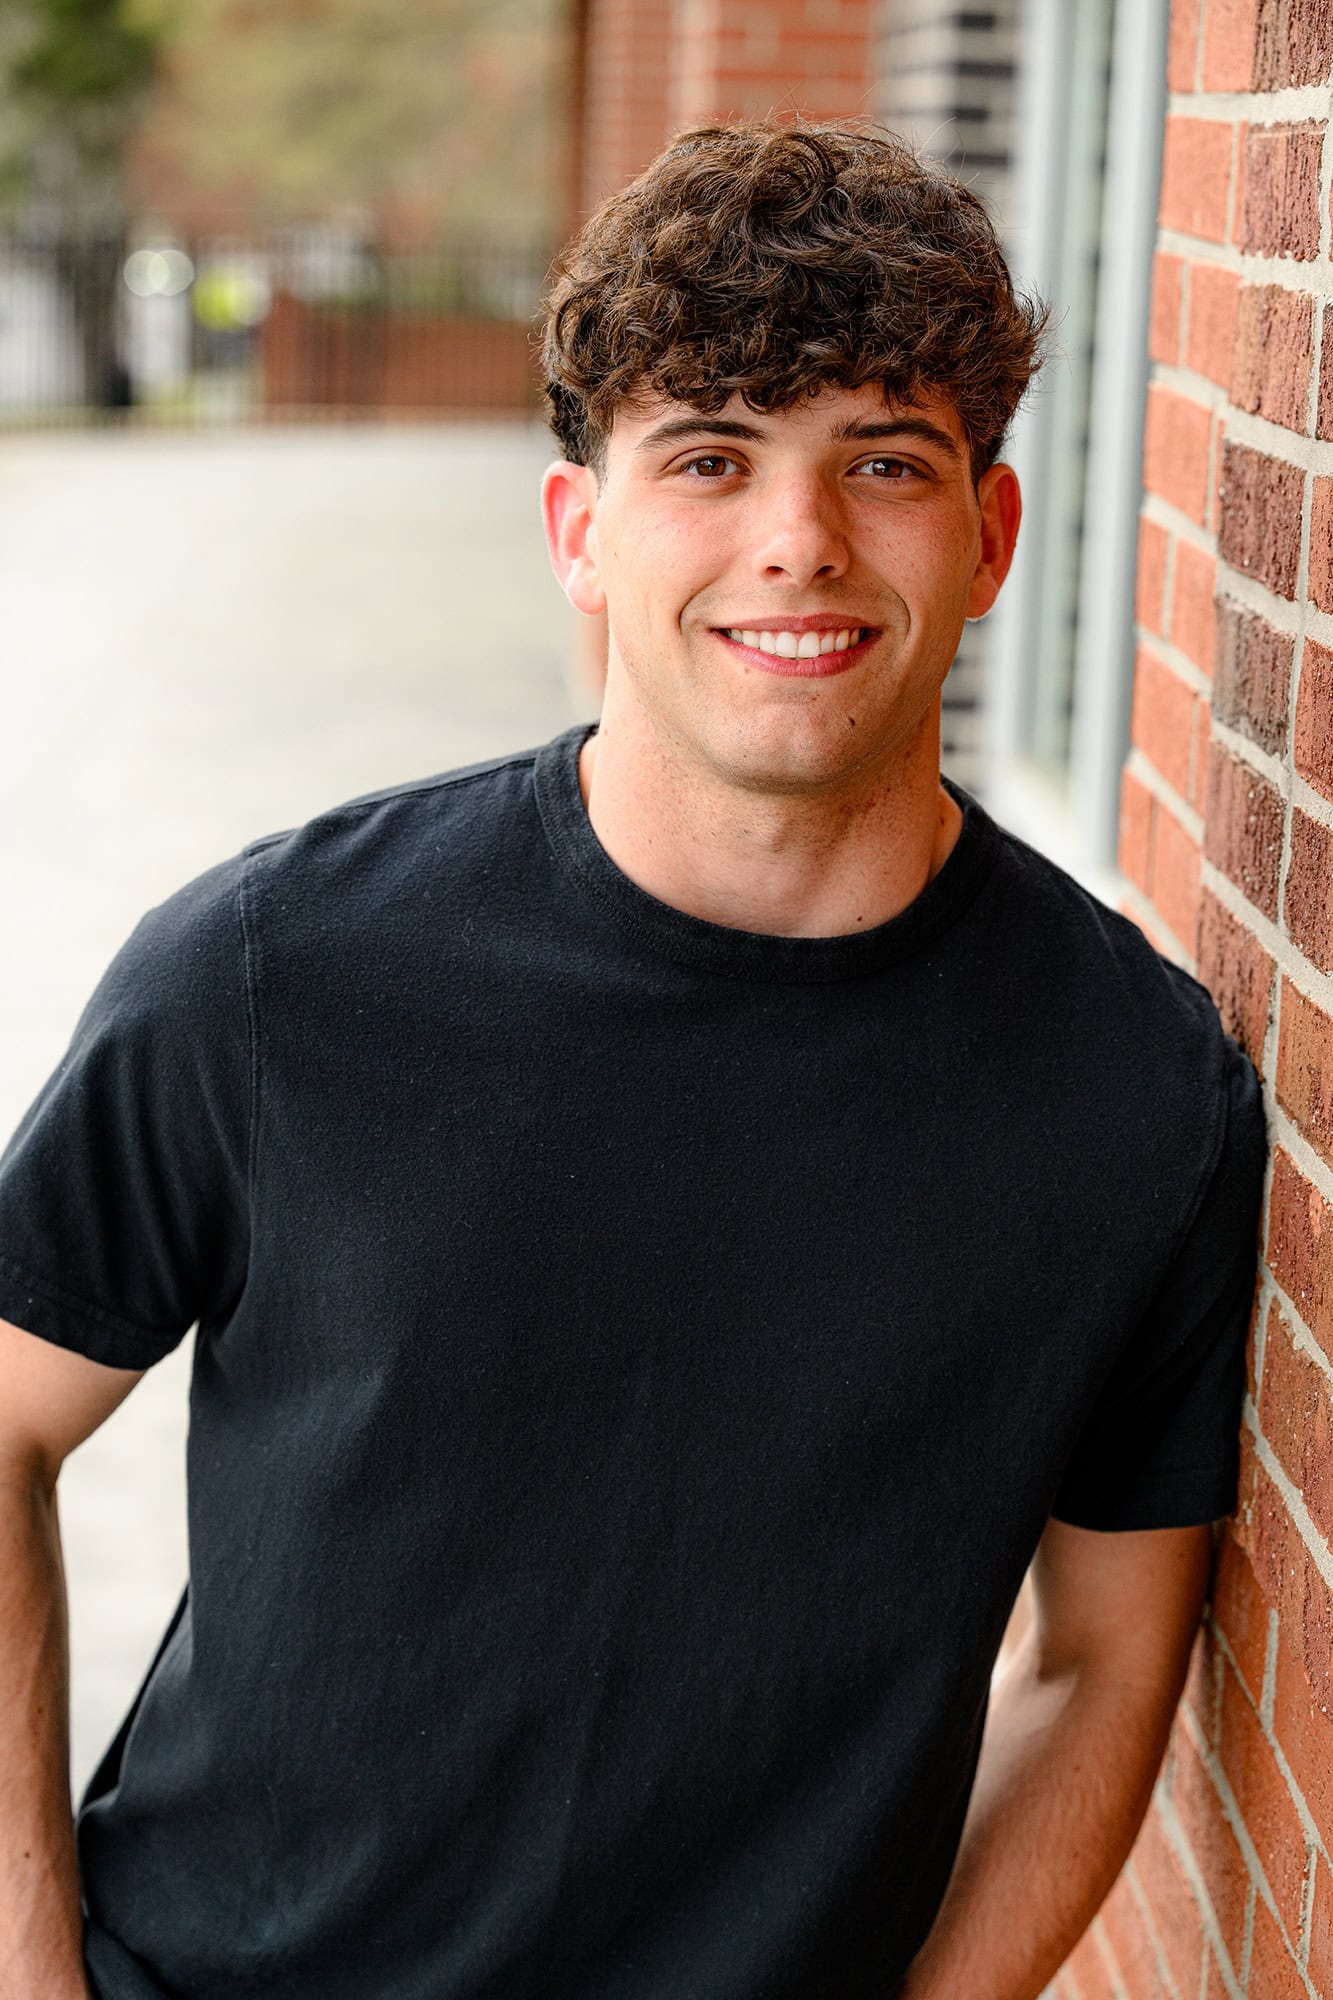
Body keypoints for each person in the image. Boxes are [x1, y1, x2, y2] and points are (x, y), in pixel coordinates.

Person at [0, 121, 1265, 2000]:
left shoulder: (1135, 1093)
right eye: (708, 458)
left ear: (990, 539)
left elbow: (1099, 1659)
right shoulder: (278, 974)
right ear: (581, 535)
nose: (798, 541)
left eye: (887, 461)